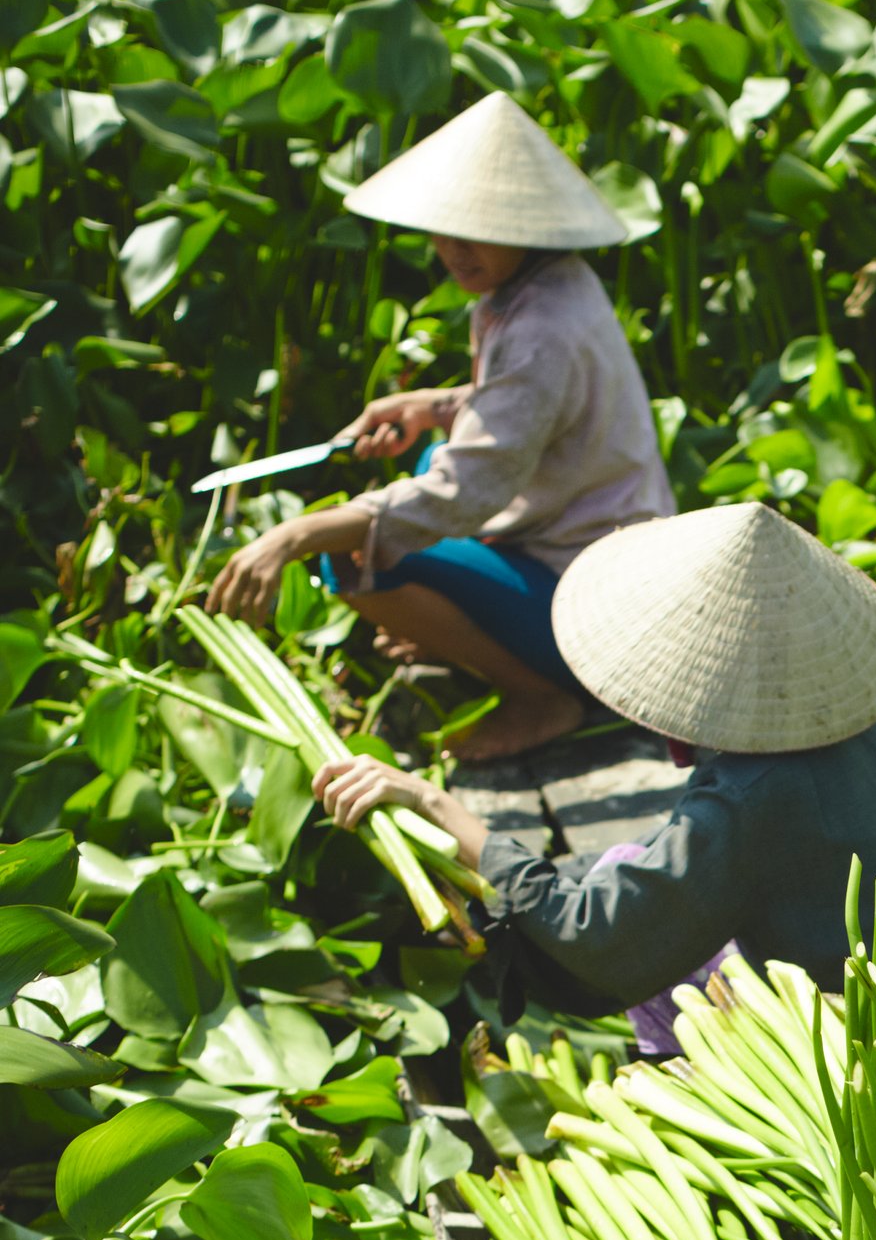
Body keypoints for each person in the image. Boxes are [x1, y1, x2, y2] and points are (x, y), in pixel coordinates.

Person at [311, 504, 876, 1039]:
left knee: (643, 937)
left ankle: (685, 1075)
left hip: (870, 1022)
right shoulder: (828, 709)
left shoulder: (749, 795)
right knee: (623, 856)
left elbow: (599, 935)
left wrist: (437, 806)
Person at [207, 92, 675, 761]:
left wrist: (294, 534)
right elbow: (532, 407)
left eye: (472, 231)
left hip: (597, 599)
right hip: (590, 553)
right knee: (428, 460)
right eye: (442, 229)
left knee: (351, 553)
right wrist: (435, 407)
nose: (450, 250)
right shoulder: (553, 284)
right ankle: (464, 635)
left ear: (524, 224)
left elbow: (469, 489)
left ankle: (541, 697)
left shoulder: (541, 326)